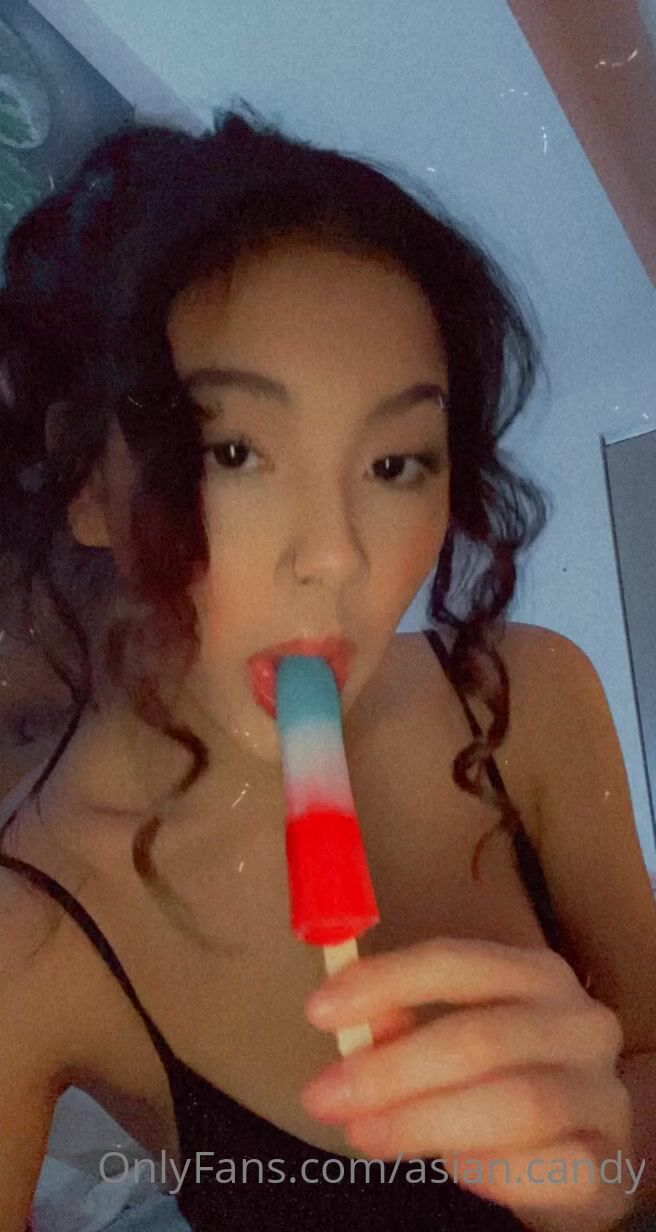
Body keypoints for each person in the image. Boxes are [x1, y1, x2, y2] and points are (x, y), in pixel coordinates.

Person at [0, 100, 653, 1232]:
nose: (338, 555)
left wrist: (609, 1171)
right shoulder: (30, 937)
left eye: (395, 462)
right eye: (236, 451)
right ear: (89, 478)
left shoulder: (528, 700)